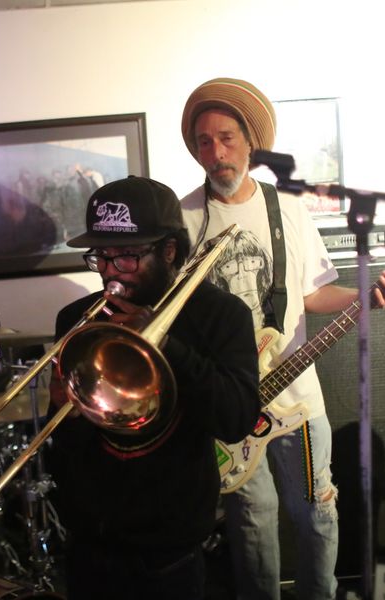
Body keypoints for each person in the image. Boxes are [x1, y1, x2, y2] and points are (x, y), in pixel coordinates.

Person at [179, 78, 385, 600]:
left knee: (317, 511)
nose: (216, 153)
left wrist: (365, 294)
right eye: (204, 142)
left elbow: (312, 294)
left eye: (227, 138)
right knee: (252, 522)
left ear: (250, 143)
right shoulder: (182, 218)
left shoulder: (287, 209)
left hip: (298, 398)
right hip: (229, 404)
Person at [46, 176, 260, 600]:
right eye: (100, 257)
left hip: (170, 553)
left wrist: (167, 346)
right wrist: (63, 413)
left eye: (127, 257)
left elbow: (237, 418)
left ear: (169, 250)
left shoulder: (220, 315)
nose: (110, 271)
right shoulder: (77, 319)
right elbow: (67, 446)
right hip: (89, 547)